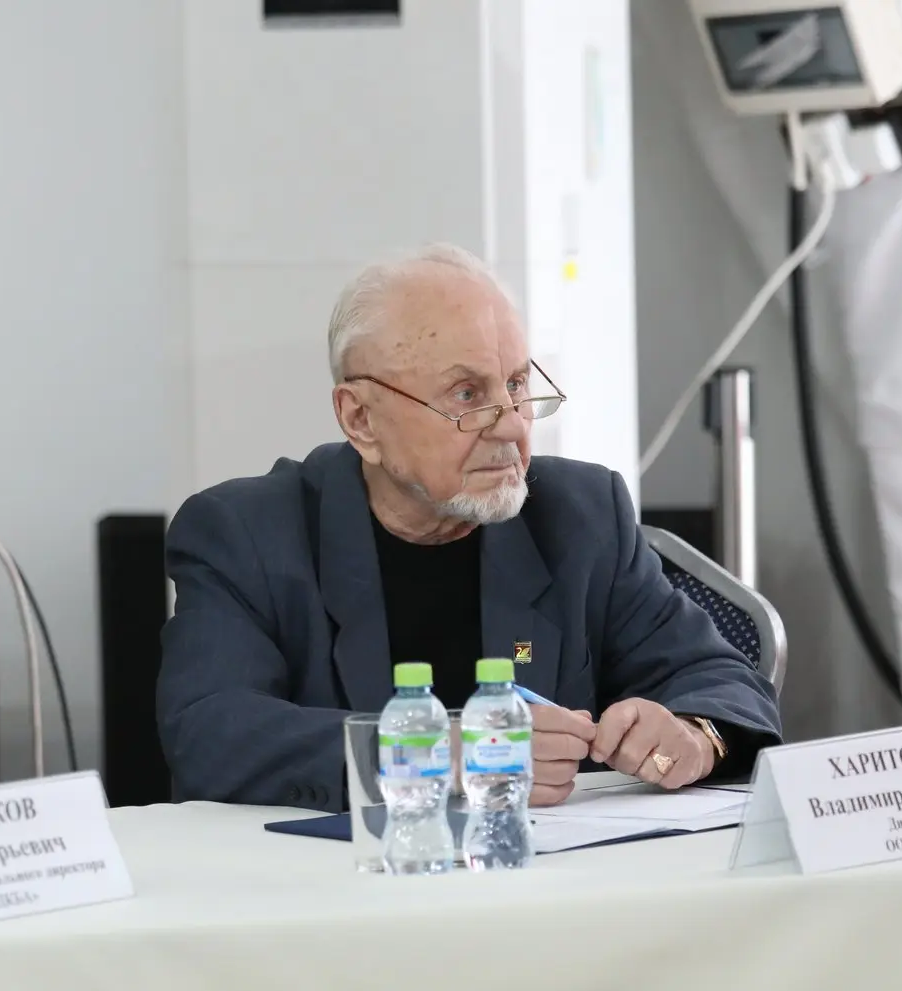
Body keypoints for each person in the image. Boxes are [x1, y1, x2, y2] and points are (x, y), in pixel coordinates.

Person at [158, 244, 781, 811]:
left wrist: (693, 735)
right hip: (334, 887)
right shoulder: (248, 534)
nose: (511, 424)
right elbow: (210, 731)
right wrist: (433, 757)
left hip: (548, 882)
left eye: (517, 384)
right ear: (361, 420)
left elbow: (721, 680)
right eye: (466, 395)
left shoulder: (579, 516)